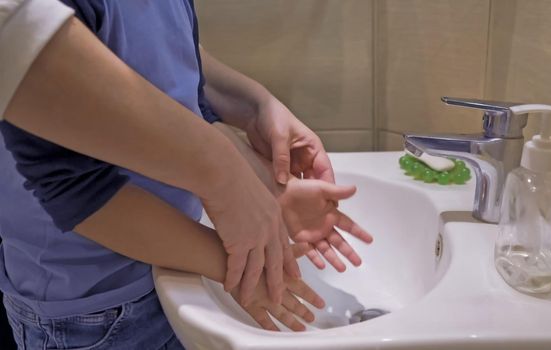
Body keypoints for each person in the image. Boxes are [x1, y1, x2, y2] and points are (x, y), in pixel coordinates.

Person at [0, 0, 373, 348]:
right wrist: (243, 263)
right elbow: (76, 189)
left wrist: (265, 177)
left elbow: (169, 79)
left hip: (165, 272)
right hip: (93, 311)